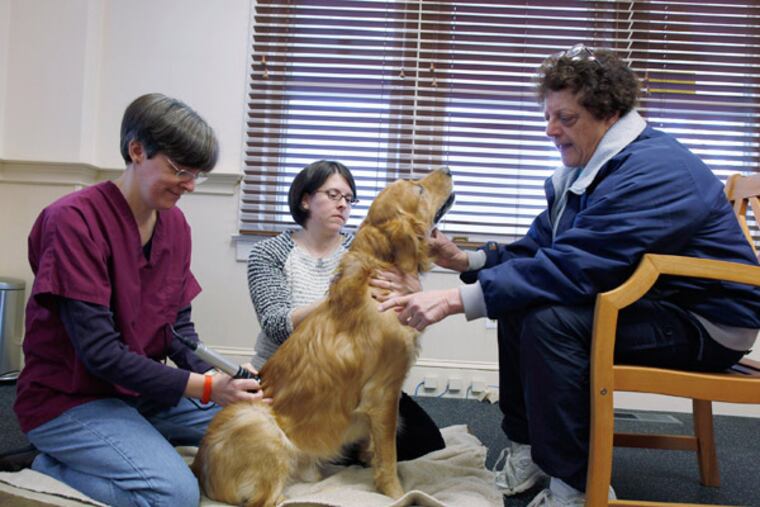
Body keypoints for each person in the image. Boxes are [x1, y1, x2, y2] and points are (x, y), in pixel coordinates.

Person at [379, 45, 760, 506]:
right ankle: (534, 451)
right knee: (523, 306)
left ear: (609, 114)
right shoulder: (592, 168)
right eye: (548, 116)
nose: (550, 129)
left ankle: (575, 486)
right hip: (657, 300)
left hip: (706, 321)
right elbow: (542, 247)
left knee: (549, 321)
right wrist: (467, 262)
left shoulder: (654, 169)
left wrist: (454, 301)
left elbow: (579, 265)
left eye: (566, 118)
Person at [12, 93, 264, 507]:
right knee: (174, 495)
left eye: (196, 173)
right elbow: (100, 354)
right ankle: (49, 467)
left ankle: (131, 442)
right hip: (68, 400)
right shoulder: (73, 221)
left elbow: (177, 331)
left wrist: (226, 375)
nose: (190, 185)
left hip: (137, 394)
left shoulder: (176, 226)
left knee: (253, 426)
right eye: (180, 170)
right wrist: (204, 387)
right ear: (136, 150)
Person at [247, 159, 445, 461]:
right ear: (305, 199)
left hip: (352, 378)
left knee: (424, 441)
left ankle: (341, 446)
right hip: (292, 382)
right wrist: (347, 296)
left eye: (349, 198)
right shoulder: (269, 253)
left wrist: (413, 292)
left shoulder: (361, 245)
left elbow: (392, 309)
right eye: (333, 195)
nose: (343, 205)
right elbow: (275, 323)